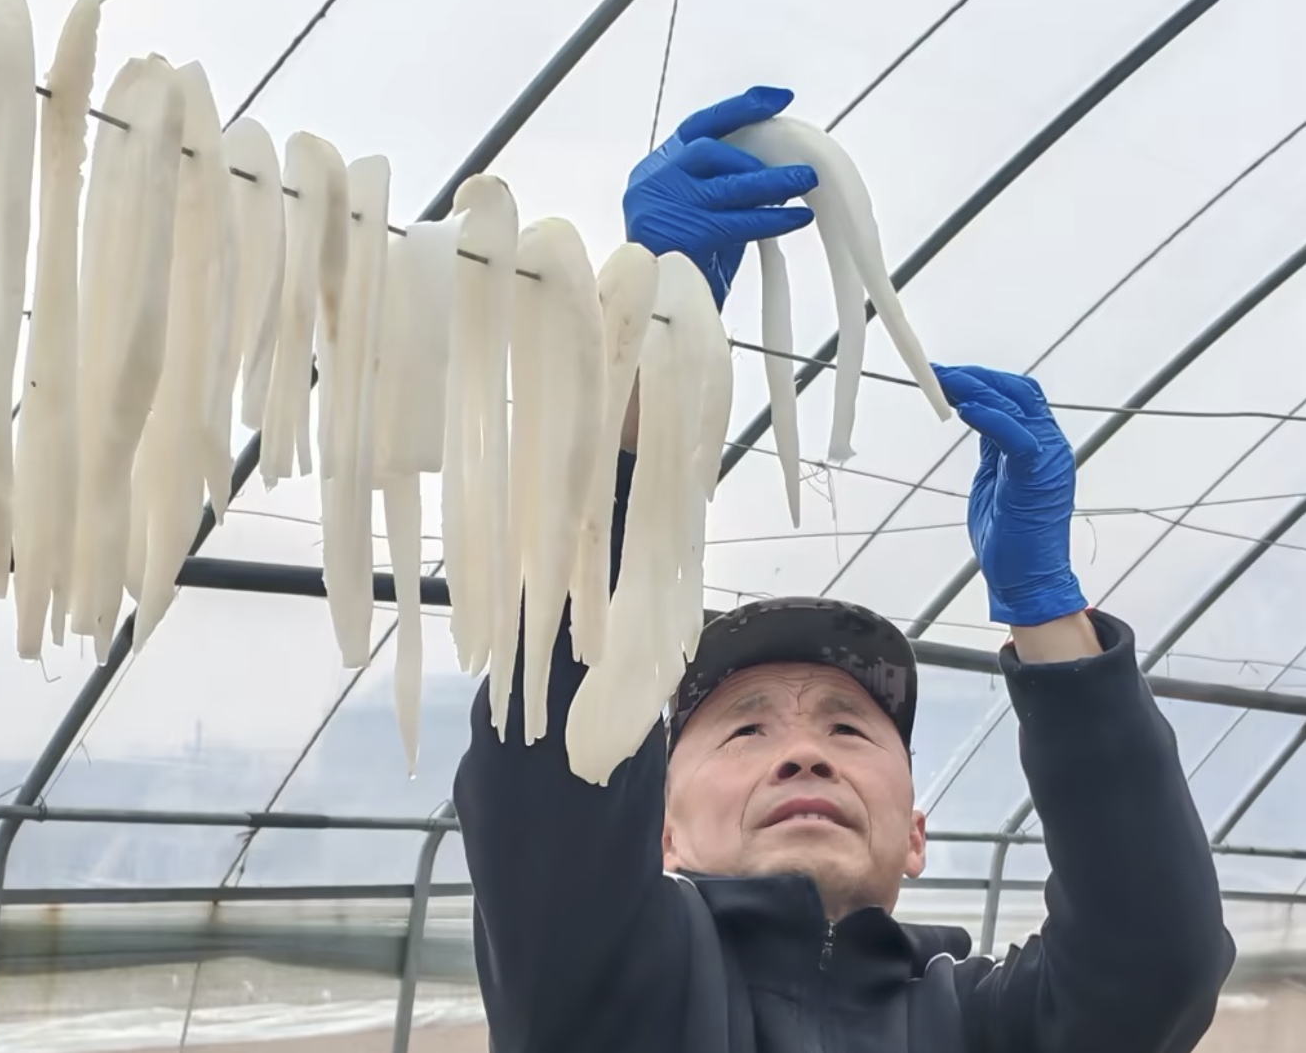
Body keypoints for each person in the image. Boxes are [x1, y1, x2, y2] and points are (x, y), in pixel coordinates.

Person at [453, 86, 1235, 1052]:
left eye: (849, 727)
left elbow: (1156, 961)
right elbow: (551, 773)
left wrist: (1049, 614)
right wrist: (649, 361)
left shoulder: (984, 1025)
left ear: (915, 833)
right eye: (744, 728)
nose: (804, 753)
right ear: (661, 830)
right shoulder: (613, 992)